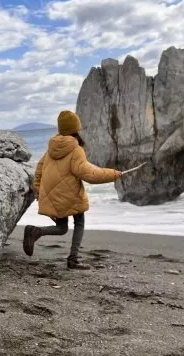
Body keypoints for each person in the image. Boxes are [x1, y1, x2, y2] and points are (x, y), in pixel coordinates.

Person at [23, 110, 121, 270]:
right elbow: (89, 174)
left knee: (62, 228)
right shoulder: (75, 150)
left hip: (53, 193)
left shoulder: (52, 148)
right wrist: (113, 174)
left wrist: (37, 189)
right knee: (79, 223)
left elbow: (39, 168)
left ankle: (36, 231)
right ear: (75, 128)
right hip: (70, 195)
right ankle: (73, 259)